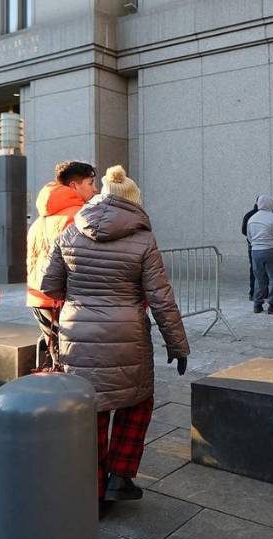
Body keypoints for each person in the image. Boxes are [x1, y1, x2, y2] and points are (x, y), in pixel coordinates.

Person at [40, 165, 189, 511]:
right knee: (136, 401)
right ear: (134, 202)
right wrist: (177, 345)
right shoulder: (144, 239)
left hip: (77, 333)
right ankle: (120, 477)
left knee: (90, 410)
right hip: (128, 335)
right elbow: (162, 299)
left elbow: (50, 285)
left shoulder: (72, 230)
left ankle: (90, 492)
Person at [26, 160, 97, 369]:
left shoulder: (40, 220)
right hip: (64, 301)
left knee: (57, 355)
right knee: (74, 362)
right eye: (90, 183)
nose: (95, 189)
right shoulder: (79, 217)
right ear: (74, 186)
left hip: (38, 298)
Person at [246, 195, 273, 314]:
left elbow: (249, 237)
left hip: (256, 252)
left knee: (259, 278)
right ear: (271, 205)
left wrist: (256, 245)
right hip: (272, 251)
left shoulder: (252, 219)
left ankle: (257, 304)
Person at [240, 201, 259, 300]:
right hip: (262, 246)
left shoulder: (248, 215)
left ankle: (253, 293)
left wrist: (251, 238)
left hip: (251, 245)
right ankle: (263, 292)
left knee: (253, 269)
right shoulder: (264, 216)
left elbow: (244, 231)